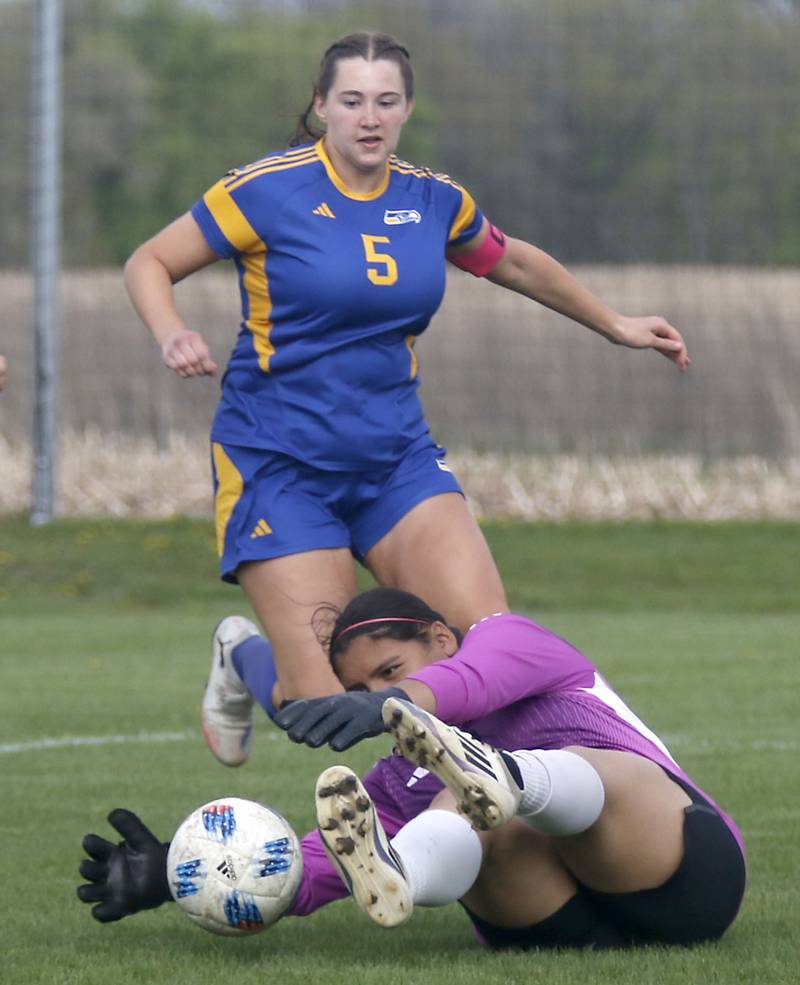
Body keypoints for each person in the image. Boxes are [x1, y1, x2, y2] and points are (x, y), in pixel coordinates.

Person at [123, 30, 690, 717]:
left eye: (386, 101)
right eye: (353, 100)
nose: (370, 117)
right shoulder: (268, 190)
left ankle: (493, 813)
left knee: (488, 650)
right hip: (279, 463)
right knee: (322, 706)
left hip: (395, 460)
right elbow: (149, 262)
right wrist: (172, 331)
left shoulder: (433, 200)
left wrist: (616, 323)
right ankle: (244, 657)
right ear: (321, 106)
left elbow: (510, 260)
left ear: (407, 110)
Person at [77, 588, 744, 949]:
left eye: (390, 669)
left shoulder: (509, 640)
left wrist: (394, 702)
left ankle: (507, 781)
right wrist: (179, 871)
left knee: (548, 770)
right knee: (463, 803)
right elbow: (312, 865)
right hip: (552, 929)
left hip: (684, 880)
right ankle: (408, 871)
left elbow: (470, 680)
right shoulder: (397, 779)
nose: (375, 691)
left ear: (442, 639)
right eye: (359, 686)